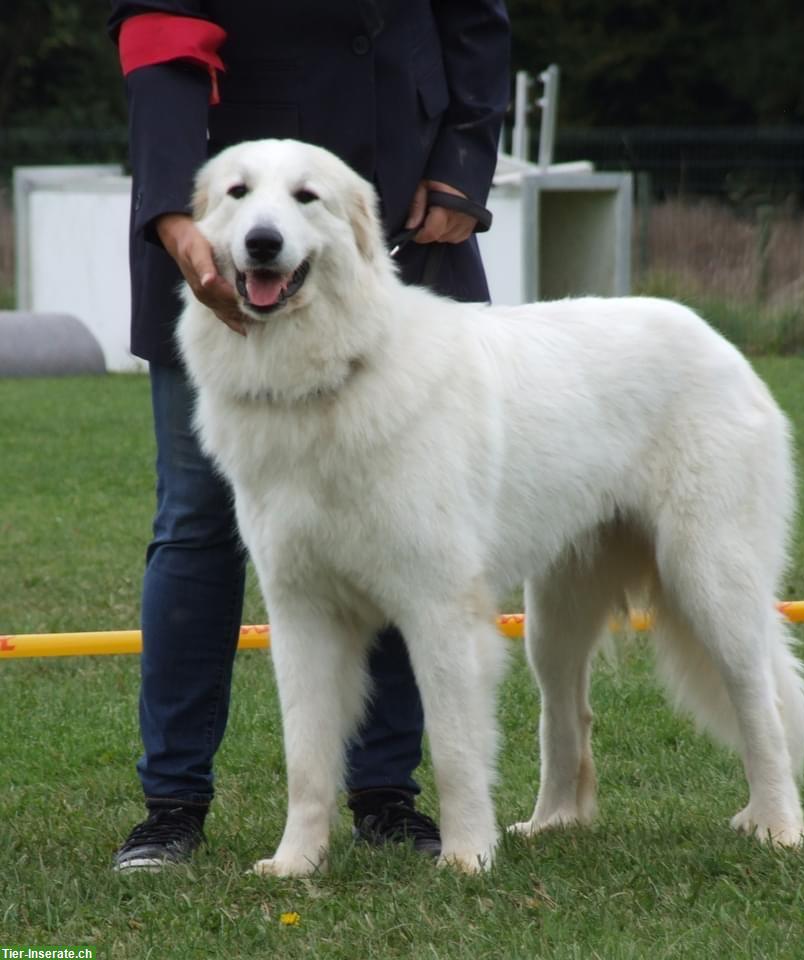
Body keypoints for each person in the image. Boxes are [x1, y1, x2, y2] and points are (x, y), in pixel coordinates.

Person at [107, 0, 510, 871]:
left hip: (397, 206)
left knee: (419, 527)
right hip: (221, 211)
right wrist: (176, 208)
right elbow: (158, 35)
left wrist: (461, 165)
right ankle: (173, 802)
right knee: (196, 519)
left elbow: (473, 18)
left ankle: (386, 794)